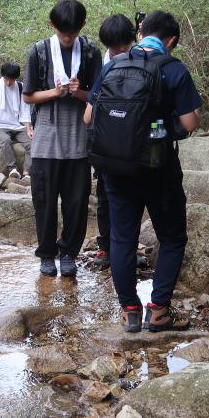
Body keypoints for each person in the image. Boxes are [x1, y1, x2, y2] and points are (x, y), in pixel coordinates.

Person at [85, 10, 201, 332]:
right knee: (173, 238)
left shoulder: (113, 65)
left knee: (122, 239)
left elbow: (87, 118)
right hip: (158, 169)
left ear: (140, 33)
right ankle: (159, 310)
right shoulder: (173, 69)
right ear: (171, 40)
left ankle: (130, 311)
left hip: (116, 170)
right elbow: (190, 123)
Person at [22, 0, 102, 278]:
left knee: (77, 202)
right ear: (52, 25)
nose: (68, 37)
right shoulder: (39, 51)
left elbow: (98, 96)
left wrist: (80, 92)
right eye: (63, 31)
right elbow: (28, 95)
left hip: (79, 139)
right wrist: (55, 93)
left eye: (74, 31)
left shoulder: (91, 51)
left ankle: (69, 253)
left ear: (82, 26)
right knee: (44, 201)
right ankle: (46, 254)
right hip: (45, 138)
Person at [88, 14, 138, 269]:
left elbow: (88, 114)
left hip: (110, 145)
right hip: (123, 146)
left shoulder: (104, 64)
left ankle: (117, 248)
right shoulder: (138, 62)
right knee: (111, 198)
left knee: (112, 197)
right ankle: (107, 246)